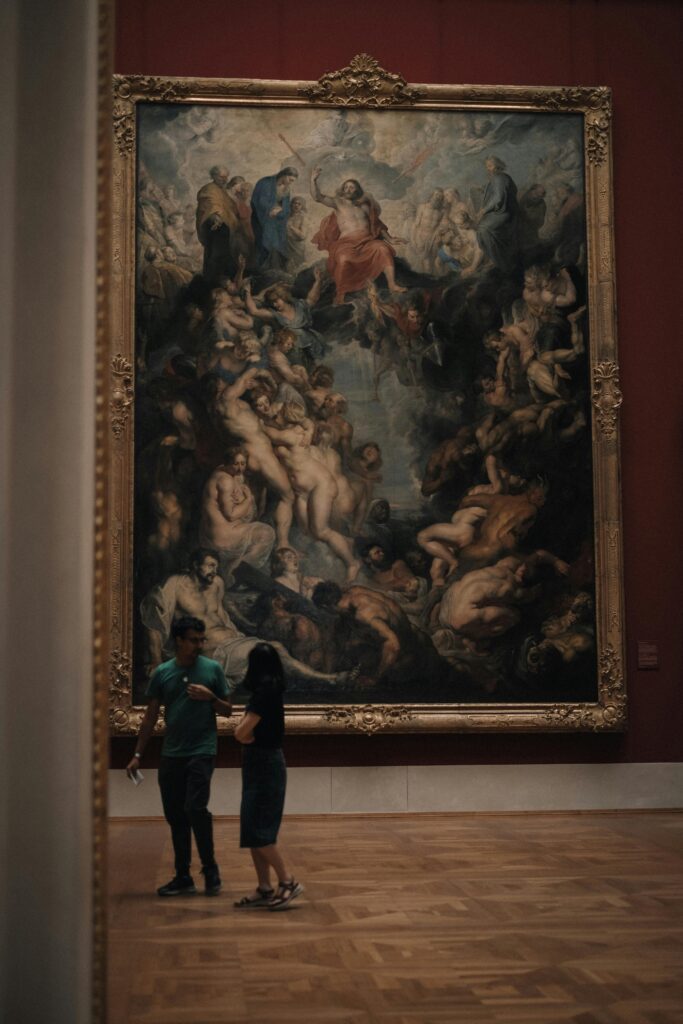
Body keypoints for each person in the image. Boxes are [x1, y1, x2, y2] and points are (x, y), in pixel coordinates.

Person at [125, 616, 233, 897]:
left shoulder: (212, 670)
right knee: (176, 816)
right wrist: (138, 754)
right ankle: (183, 875)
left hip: (202, 750)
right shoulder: (163, 673)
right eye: (194, 640)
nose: (199, 645)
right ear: (179, 641)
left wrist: (211, 697)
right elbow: (149, 718)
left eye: (201, 639)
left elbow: (228, 710)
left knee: (196, 808)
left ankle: (210, 869)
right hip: (172, 754)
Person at [233, 643, 304, 910]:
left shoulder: (264, 693)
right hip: (263, 761)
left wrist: (244, 733)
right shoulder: (270, 690)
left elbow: (241, 733)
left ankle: (287, 882)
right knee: (254, 829)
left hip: (263, 762)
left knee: (259, 831)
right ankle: (264, 887)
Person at [311, 169, 407, 304]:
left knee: (383, 249)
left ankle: (392, 284)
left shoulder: (365, 208)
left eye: (352, 187)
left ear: (357, 190)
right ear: (343, 190)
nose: (349, 189)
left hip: (368, 242)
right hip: (346, 243)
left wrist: (389, 238)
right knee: (344, 259)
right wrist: (313, 180)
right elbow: (317, 197)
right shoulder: (338, 203)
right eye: (346, 187)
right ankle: (340, 293)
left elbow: (376, 224)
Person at [475, 156, 519, 273]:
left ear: (498, 165)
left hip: (503, 213)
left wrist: (483, 210)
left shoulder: (500, 178)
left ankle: (497, 260)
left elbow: (498, 198)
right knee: (480, 227)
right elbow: (495, 190)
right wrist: (483, 189)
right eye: (487, 166)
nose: (488, 168)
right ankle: (490, 257)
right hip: (499, 211)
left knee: (483, 229)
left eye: (490, 165)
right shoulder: (499, 178)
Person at [251, 166, 299, 269]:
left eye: (292, 181)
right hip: (261, 219)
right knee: (265, 243)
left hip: (277, 221)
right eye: (290, 180)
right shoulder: (265, 183)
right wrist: (271, 209)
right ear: (284, 175)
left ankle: (275, 269)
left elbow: (286, 207)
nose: (290, 183)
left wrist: (279, 211)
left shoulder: (286, 188)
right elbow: (259, 201)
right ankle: (261, 269)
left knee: (279, 245)